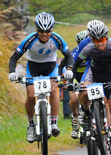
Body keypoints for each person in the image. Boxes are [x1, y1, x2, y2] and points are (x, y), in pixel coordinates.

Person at [8, 12, 70, 141]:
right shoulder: (29, 39)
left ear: (51, 30)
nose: (44, 34)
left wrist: (68, 69)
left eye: (47, 31)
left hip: (50, 67)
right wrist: (12, 72)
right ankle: (31, 125)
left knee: (54, 91)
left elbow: (69, 56)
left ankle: (53, 123)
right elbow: (14, 58)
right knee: (31, 96)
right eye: (41, 31)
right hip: (33, 67)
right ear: (37, 29)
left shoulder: (57, 39)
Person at [71, 20, 111, 154]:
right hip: (93, 73)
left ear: (106, 38)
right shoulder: (88, 47)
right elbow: (75, 64)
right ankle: (86, 112)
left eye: (102, 40)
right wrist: (72, 79)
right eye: (96, 41)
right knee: (84, 92)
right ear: (91, 39)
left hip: (110, 75)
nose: (99, 43)